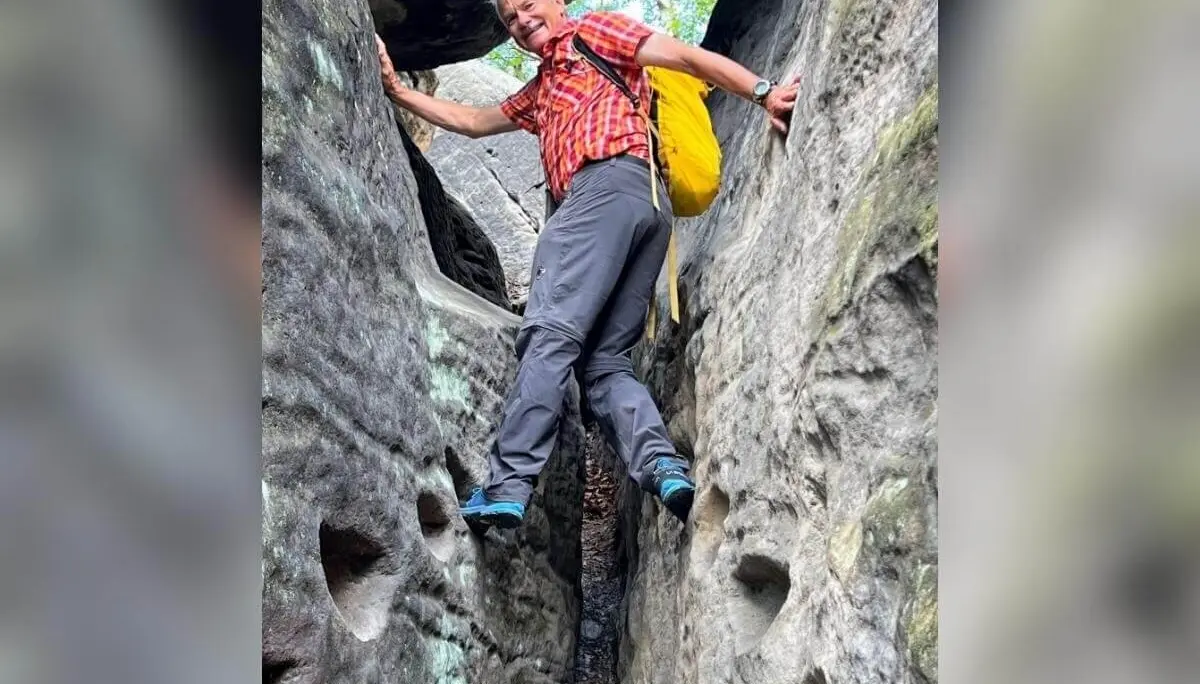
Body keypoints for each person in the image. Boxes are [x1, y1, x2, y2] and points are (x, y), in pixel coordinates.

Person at [375, 0, 799, 528]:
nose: (521, 19)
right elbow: (474, 121)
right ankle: (661, 463)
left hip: (602, 191)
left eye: (529, 4)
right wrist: (398, 91)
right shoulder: (544, 88)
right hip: (647, 209)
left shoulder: (595, 30)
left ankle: (507, 485)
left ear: (560, 3)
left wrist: (764, 92)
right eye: (509, 19)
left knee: (550, 332)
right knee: (603, 363)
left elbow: (685, 58)